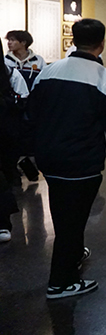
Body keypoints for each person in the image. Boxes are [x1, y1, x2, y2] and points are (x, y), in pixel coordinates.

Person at [28, 18, 106, 299]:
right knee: (73, 221)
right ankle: (61, 282)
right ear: (101, 44)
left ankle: (75, 254)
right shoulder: (105, 78)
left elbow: (31, 114)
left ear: (73, 41)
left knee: (64, 214)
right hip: (83, 160)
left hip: (48, 157)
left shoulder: (49, 71)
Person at [4, 30, 45, 181]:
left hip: (33, 103)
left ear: (23, 42)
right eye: (8, 40)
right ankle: (14, 169)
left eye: (13, 40)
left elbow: (43, 81)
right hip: (12, 106)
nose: (9, 43)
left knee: (30, 137)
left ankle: (31, 170)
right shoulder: (6, 61)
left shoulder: (38, 61)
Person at [0, 42, 29, 242]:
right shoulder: (10, 71)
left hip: (5, 135)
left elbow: (23, 100)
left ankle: (2, 223)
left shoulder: (9, 73)